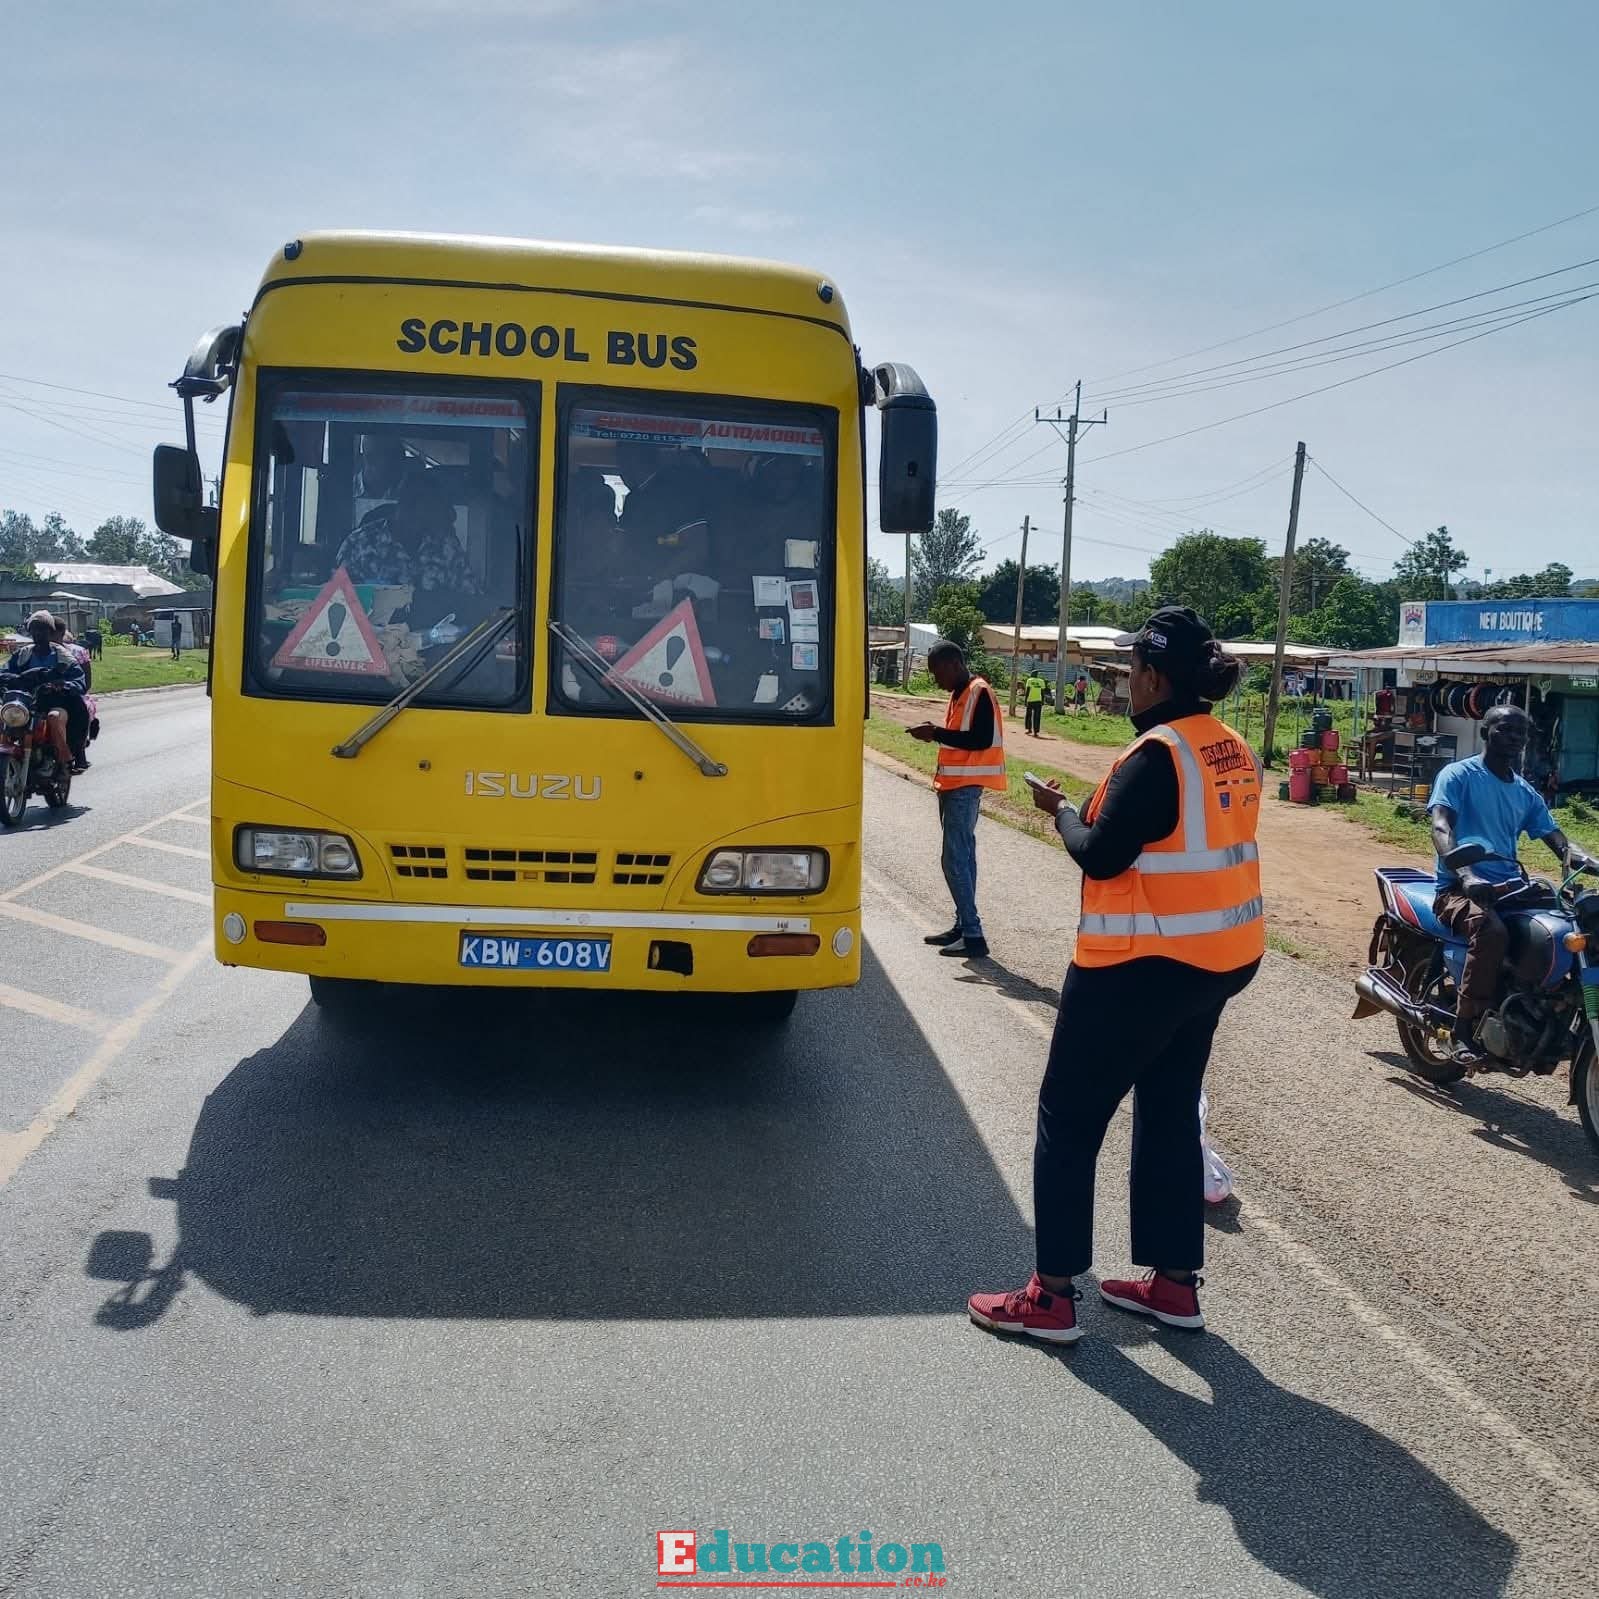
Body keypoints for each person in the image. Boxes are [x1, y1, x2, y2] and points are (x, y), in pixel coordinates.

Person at [968, 607, 1263, 1345]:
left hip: (1138, 964)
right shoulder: (1229, 747)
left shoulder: (1156, 754)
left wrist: (1059, 811)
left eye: (1130, 671)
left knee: (1066, 1118)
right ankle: (1172, 1284)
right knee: (1166, 1112)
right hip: (1217, 963)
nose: (1125, 683)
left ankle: (1052, 1295)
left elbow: (1100, 852)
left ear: (1155, 677)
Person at [1428, 704, 1594, 1065]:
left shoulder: (1524, 792)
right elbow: (1441, 826)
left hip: (1509, 888)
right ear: (1486, 731)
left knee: (1572, 925)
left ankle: (1540, 1006)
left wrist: (1582, 858)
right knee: (1492, 933)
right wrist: (1467, 874)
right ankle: (1461, 1031)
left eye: (1521, 732)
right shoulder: (1458, 775)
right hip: (1458, 888)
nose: (1515, 738)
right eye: (1505, 730)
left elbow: (1558, 840)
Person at [908, 640, 1005, 960]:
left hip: (966, 787)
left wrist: (934, 733)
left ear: (953, 664)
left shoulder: (980, 692)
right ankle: (963, 926)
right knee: (964, 857)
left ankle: (974, 935)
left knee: (954, 860)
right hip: (953, 785)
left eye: (937, 673)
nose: (936, 680)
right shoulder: (960, 694)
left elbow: (980, 739)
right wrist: (934, 732)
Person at [335, 470, 479, 594]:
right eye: (431, 510)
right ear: (406, 504)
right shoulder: (357, 545)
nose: (438, 523)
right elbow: (335, 604)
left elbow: (471, 603)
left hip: (435, 626)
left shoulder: (447, 548)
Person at [4, 610, 87, 774]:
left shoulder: (63, 656)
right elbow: (4, 671)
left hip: (56, 703)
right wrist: (17, 678)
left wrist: (63, 685)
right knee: (4, 715)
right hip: (26, 704)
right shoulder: (22, 654)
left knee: (54, 717)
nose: (38, 633)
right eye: (34, 629)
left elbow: (79, 681)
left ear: (50, 632)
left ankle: (64, 760)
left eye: (42, 629)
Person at [1023, 668, 1046, 737]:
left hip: (1030, 700)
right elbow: (1043, 693)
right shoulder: (1041, 681)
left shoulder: (1029, 680)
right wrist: (1042, 700)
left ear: (1032, 674)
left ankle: (1029, 729)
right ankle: (1036, 732)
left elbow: (1028, 691)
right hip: (1038, 701)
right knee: (1037, 717)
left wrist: (1025, 700)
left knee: (1028, 715)